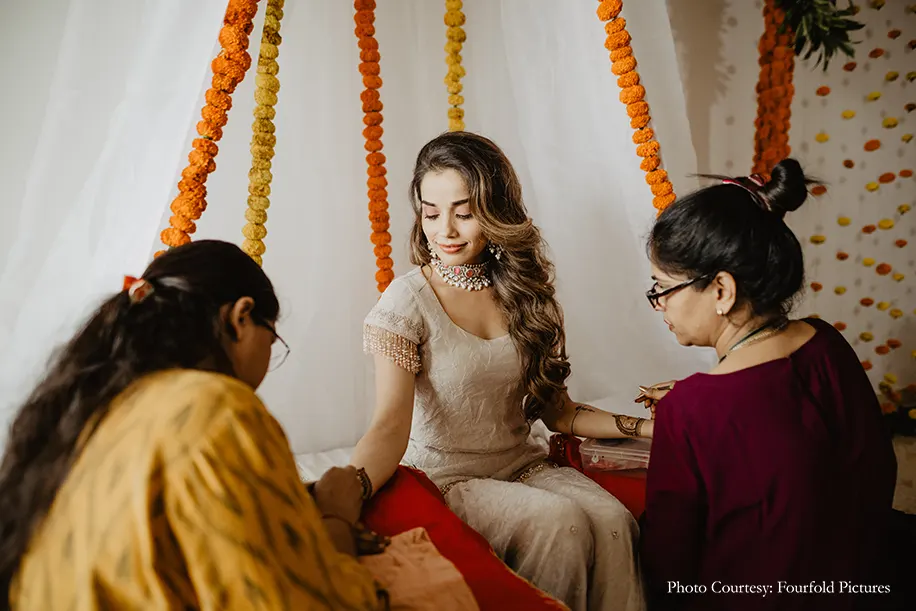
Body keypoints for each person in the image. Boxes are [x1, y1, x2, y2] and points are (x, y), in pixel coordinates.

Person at [0, 240, 389, 611]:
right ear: (239, 318)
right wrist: (336, 515)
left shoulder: (97, 405)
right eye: (272, 340)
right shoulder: (219, 409)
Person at [351, 131, 648, 611]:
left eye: (464, 213)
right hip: (450, 478)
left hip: (523, 464)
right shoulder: (407, 302)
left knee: (614, 522)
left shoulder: (524, 292)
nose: (444, 229)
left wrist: (649, 427)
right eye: (431, 212)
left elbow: (558, 411)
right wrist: (350, 488)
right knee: (559, 524)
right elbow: (389, 425)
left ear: (497, 212)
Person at [637, 160, 898, 611]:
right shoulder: (826, 343)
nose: (659, 305)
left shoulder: (691, 408)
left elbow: (670, 559)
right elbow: (876, 468)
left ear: (721, 290)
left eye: (663, 288)